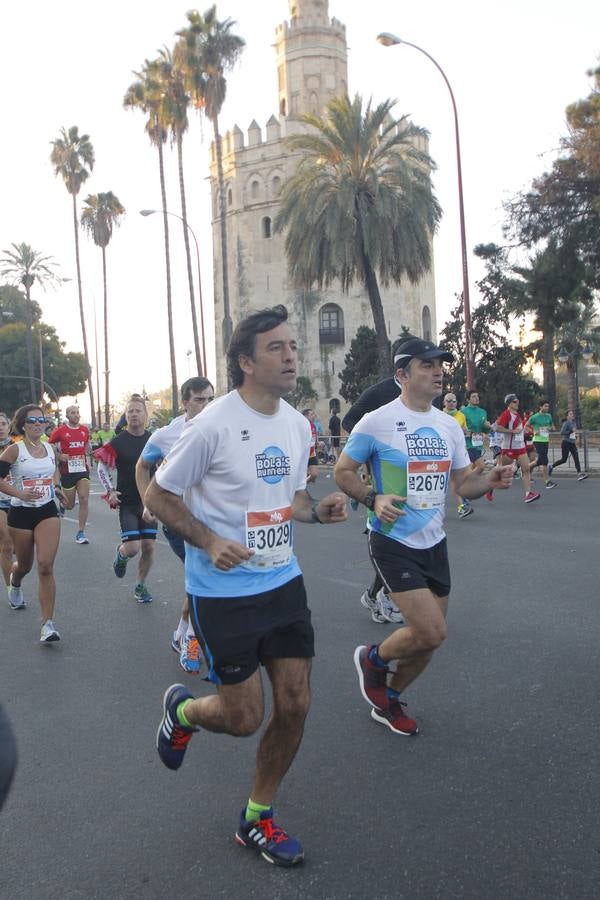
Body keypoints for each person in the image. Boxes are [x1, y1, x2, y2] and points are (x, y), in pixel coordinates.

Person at [145, 305, 347, 867]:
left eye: (292, 347)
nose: (290, 357)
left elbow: (293, 498)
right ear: (244, 362)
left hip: (283, 582)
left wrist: (316, 511)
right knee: (242, 718)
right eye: (276, 349)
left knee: (296, 701)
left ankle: (258, 816)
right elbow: (159, 495)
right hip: (223, 592)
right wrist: (209, 541)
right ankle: (183, 714)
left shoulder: (297, 423)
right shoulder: (210, 425)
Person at [334, 338, 513, 735]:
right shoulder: (376, 422)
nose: (438, 372)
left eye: (440, 365)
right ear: (402, 375)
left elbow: (462, 485)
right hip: (392, 539)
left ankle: (389, 699)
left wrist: (490, 482)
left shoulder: (448, 425)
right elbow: (342, 471)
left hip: (435, 542)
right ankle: (373, 659)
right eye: (427, 365)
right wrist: (372, 497)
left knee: (428, 640)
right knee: (432, 630)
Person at [136, 377, 215, 674]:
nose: (206, 405)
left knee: (200, 581)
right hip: (177, 517)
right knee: (203, 579)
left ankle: (182, 631)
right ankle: (191, 642)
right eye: (199, 400)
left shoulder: (222, 427)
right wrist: (148, 501)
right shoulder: (167, 435)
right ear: (184, 403)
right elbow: (141, 466)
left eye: (210, 399)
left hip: (212, 519)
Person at [0, 404, 67, 641]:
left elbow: (55, 471)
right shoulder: (14, 451)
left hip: (47, 510)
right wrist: (20, 494)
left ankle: (47, 624)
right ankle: (15, 582)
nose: (38, 424)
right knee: (25, 566)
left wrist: (56, 488)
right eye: (32, 421)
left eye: (41, 420)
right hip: (20, 514)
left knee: (45, 565)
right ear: (23, 425)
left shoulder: (50, 448)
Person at [94, 397, 157, 603]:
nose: (134, 414)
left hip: (149, 502)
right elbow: (101, 467)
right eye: (130, 411)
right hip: (127, 502)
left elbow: (166, 464)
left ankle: (140, 585)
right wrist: (110, 490)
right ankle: (121, 554)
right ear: (126, 415)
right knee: (132, 549)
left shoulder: (154, 440)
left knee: (148, 546)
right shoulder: (118, 441)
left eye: (138, 411)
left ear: (145, 415)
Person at [48, 405, 92, 544]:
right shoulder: (60, 431)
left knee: (84, 498)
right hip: (67, 471)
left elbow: (86, 445)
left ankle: (81, 532)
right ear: (67, 416)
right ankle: (63, 505)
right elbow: (49, 446)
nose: (76, 415)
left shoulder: (84, 430)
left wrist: (87, 457)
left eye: (77, 412)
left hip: (82, 470)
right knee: (70, 505)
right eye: (73, 413)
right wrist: (59, 456)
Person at [493, 394, 540, 504]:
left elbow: (519, 430)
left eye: (517, 401)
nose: (517, 403)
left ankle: (528, 494)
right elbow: (498, 428)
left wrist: (525, 433)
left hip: (520, 447)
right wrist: (512, 432)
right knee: (501, 471)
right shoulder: (506, 414)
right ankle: (488, 487)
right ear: (509, 403)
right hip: (509, 448)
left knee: (526, 469)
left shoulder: (517, 414)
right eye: (514, 402)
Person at [443, 392, 472, 519]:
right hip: (444, 450)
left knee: (462, 478)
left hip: (459, 450)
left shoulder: (461, 415)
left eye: (454, 401)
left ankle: (463, 498)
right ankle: (461, 507)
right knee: (452, 480)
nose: (451, 403)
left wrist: (466, 432)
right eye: (449, 401)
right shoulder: (439, 415)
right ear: (444, 402)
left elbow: (465, 431)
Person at [548, 409, 589, 481]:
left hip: (572, 443)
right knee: (564, 459)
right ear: (567, 416)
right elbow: (562, 432)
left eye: (572, 414)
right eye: (570, 414)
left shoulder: (574, 423)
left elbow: (573, 432)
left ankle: (579, 474)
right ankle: (551, 466)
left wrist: (575, 436)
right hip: (566, 443)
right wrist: (570, 431)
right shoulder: (566, 423)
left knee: (576, 457)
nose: (572, 415)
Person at [526, 401, 557, 488]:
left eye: (548, 406)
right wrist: (533, 431)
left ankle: (525, 468)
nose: (547, 408)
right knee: (545, 461)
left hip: (545, 440)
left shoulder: (549, 416)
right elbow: (526, 426)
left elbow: (553, 427)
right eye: (545, 406)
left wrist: (550, 428)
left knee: (539, 461)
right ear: (540, 407)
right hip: (537, 441)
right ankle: (547, 482)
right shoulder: (535, 417)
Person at [0, 413, 15, 591]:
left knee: (20, 547)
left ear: (9, 427)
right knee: (6, 543)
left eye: (3, 424)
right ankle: (11, 588)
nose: (0, 427)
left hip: (18, 500)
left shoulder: (18, 447)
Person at [302, 408, 319, 483]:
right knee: (301, 476)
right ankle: (300, 488)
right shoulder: (301, 426)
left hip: (312, 453)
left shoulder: (313, 426)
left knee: (314, 475)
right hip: (302, 454)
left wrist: (318, 443)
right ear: (305, 416)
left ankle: (302, 486)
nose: (314, 416)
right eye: (311, 414)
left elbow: (315, 438)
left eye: (313, 414)